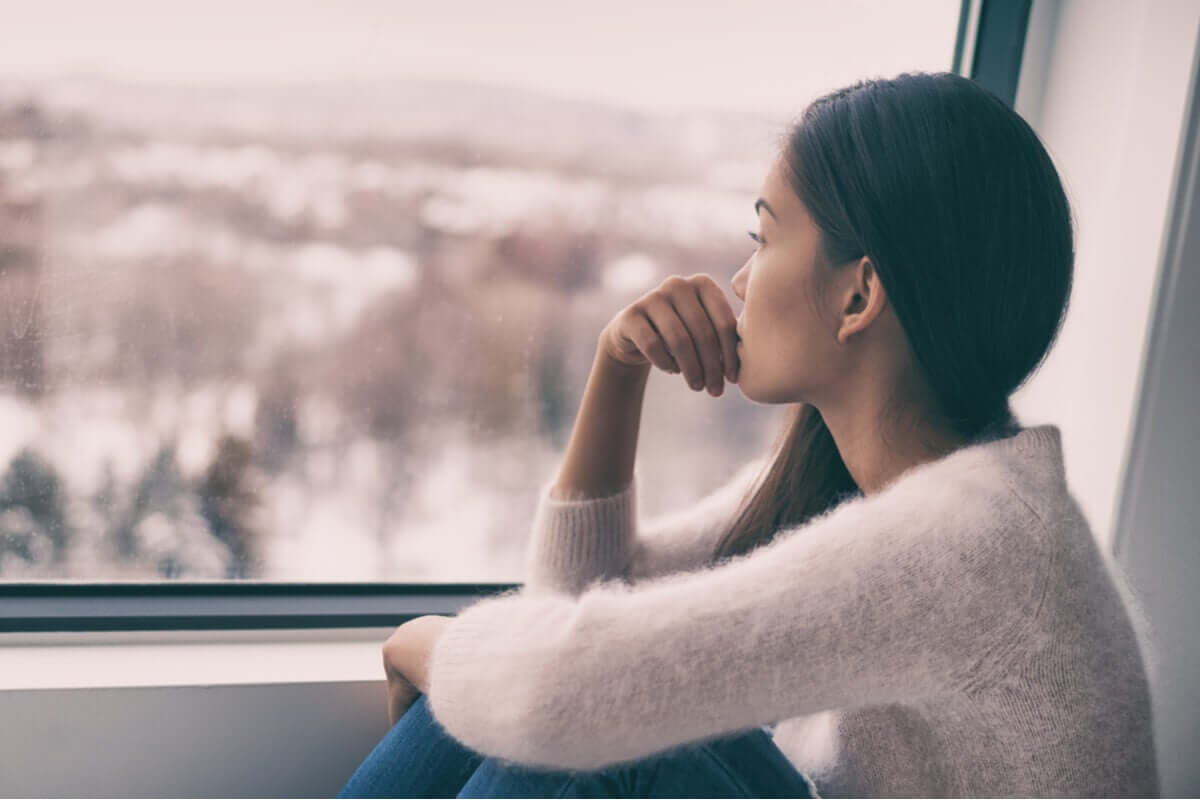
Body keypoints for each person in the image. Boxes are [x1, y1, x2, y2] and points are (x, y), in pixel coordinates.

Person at [340, 70, 1160, 797]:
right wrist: (615, 371)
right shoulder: (864, 479)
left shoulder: (973, 541)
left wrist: (428, 647)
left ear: (858, 296)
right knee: (540, 706)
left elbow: (558, 695)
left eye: (763, 239)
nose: (739, 280)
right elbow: (580, 608)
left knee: (582, 726)